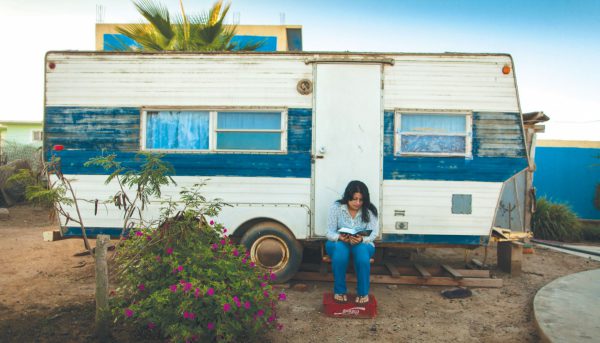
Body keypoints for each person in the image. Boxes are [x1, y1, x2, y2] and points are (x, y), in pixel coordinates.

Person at [326, 180, 378, 304]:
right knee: (340, 255)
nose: (358, 203)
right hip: (340, 242)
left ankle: (363, 292)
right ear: (347, 197)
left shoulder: (369, 210)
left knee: (362, 258)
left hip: (362, 243)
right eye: (354, 199)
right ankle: (340, 291)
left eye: (361, 200)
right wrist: (340, 237)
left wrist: (362, 239)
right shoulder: (336, 208)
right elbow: (329, 232)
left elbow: (374, 233)